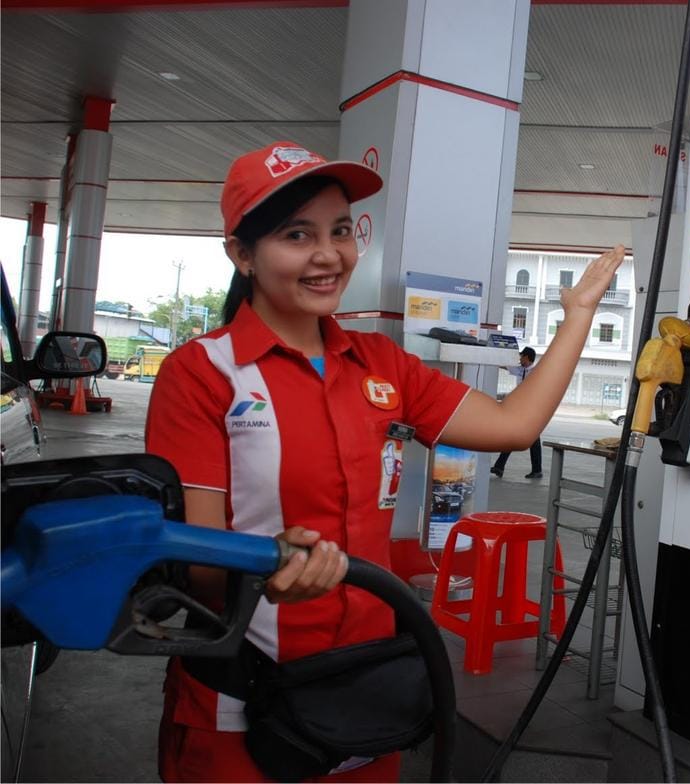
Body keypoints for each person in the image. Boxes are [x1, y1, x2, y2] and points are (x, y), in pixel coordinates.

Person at [144, 140, 624, 783]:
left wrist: (579, 316)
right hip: (244, 701)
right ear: (242, 254)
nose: (328, 254)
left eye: (340, 231)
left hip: (368, 692)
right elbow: (194, 560)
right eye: (297, 235)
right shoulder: (202, 373)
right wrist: (266, 566)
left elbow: (514, 425)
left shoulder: (382, 364)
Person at [489, 347, 543, 478]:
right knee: (515, 436)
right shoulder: (520, 370)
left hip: (531, 410)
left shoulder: (536, 372)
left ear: (527, 357)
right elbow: (506, 366)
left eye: (521, 357)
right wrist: (492, 358)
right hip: (521, 409)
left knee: (530, 439)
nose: (519, 359)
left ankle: (536, 470)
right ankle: (500, 467)